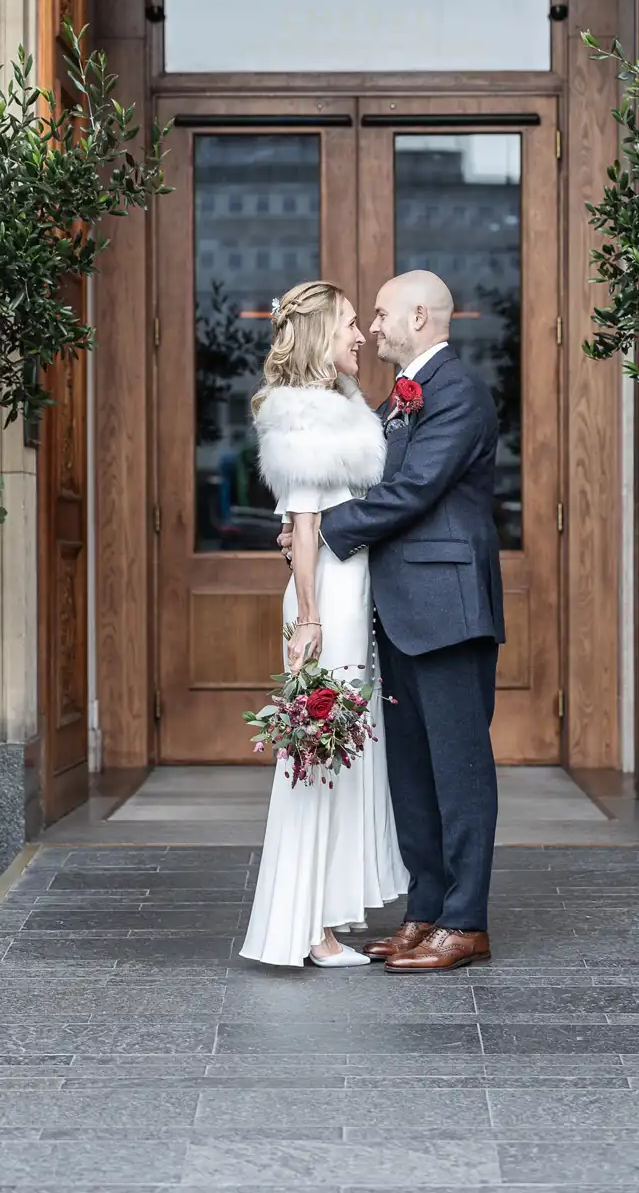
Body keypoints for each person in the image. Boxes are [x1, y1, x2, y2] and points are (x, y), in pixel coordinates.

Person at [305, 269, 505, 974]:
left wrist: (325, 529)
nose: (375, 326)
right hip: (402, 609)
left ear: (420, 316)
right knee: (412, 775)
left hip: (448, 609)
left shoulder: (458, 392)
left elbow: (415, 490)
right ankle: (424, 910)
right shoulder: (400, 399)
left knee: (459, 771)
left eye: (384, 312)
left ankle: (465, 922)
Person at [239, 281, 407, 968]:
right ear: (317, 335)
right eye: (346, 325)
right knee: (316, 755)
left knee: (337, 754)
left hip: (344, 594)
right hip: (325, 604)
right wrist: (308, 618)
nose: (360, 336)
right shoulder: (302, 413)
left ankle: (324, 921)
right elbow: (304, 523)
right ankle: (306, 931)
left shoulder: (339, 404)